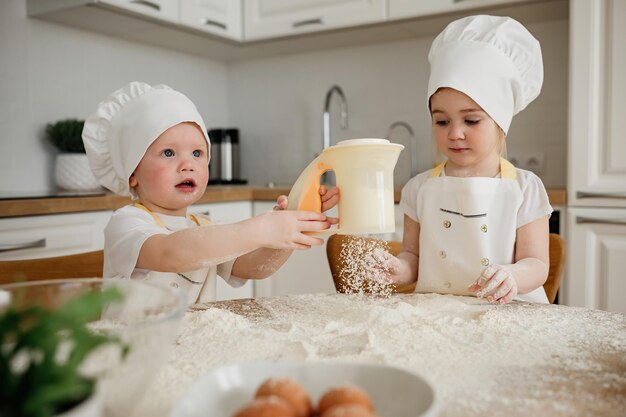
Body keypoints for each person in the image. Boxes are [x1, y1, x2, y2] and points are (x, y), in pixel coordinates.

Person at [82, 81, 339, 305]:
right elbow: (171, 253)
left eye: (197, 153)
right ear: (132, 173)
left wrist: (289, 226)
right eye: (169, 153)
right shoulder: (126, 224)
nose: (188, 164)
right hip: (134, 351)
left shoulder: (204, 226)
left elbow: (253, 267)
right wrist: (261, 228)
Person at [375, 15, 552, 304]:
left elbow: (537, 263)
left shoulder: (525, 187)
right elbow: (414, 256)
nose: (455, 133)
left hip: (510, 318)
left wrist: (512, 277)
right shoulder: (418, 189)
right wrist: (399, 267)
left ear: (500, 121)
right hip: (439, 318)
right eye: (442, 121)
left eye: (471, 120)